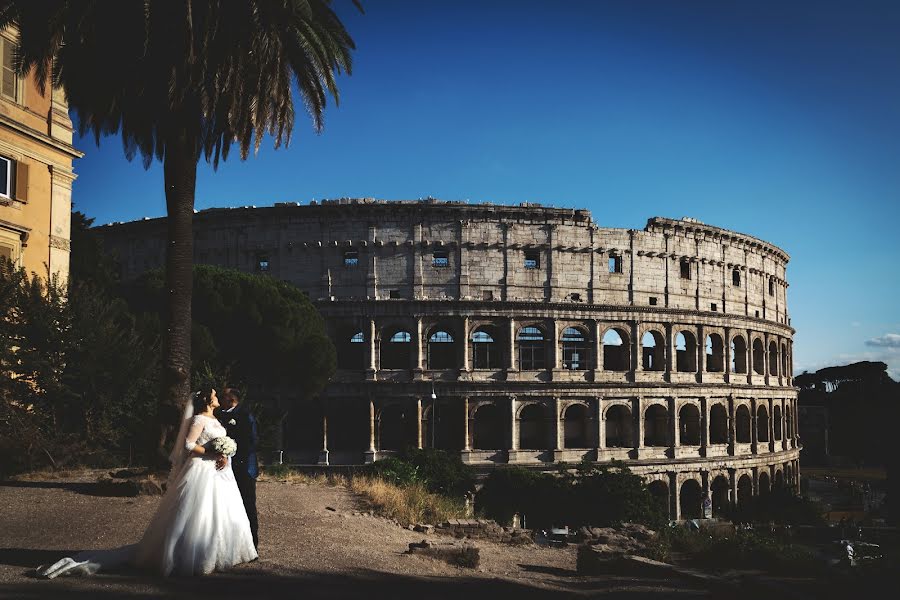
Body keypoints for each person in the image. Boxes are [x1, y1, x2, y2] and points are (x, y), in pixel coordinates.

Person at [35, 389, 258, 578]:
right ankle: (190, 556)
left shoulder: (215, 420)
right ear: (207, 401)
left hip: (219, 472)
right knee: (197, 512)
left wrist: (224, 454)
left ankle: (221, 552)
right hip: (201, 469)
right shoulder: (199, 420)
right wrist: (212, 450)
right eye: (214, 394)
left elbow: (220, 442)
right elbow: (189, 446)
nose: (217, 396)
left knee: (221, 512)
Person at [217, 387, 259, 549]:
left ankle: (251, 545)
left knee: (248, 505)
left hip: (244, 468)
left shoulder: (246, 414)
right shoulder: (218, 414)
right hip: (222, 469)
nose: (220, 399)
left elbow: (253, 441)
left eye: (222, 397)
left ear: (231, 399)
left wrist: (231, 451)